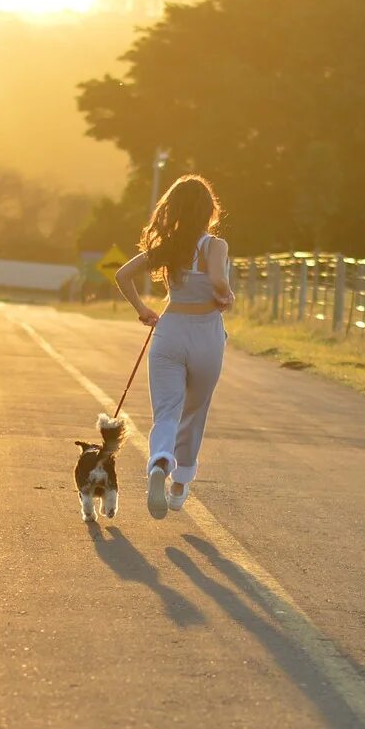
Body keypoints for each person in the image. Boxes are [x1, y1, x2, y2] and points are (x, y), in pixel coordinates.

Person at [113, 175, 233, 518]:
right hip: (207, 334)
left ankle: (159, 463)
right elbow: (217, 280)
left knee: (166, 411)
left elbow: (123, 275)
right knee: (194, 412)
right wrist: (226, 293)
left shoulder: (166, 245)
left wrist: (142, 310)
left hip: (170, 330)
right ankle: (179, 483)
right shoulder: (215, 246)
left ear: (173, 208)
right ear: (210, 210)